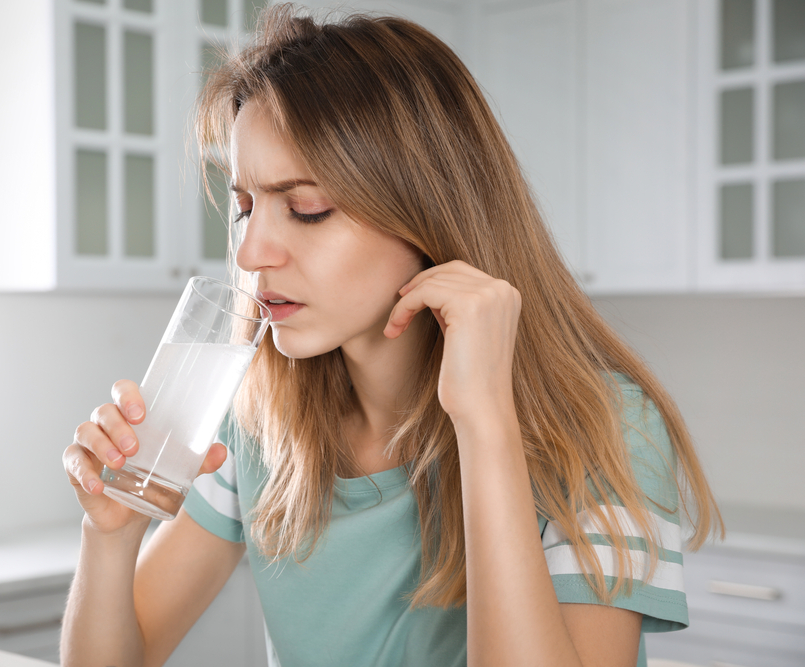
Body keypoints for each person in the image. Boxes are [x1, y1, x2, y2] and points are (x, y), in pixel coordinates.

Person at [60, 5, 724, 666]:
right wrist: (109, 533)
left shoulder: (602, 429)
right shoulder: (256, 421)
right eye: (244, 207)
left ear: (426, 210)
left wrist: (486, 424)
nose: (253, 250)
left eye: (306, 209)